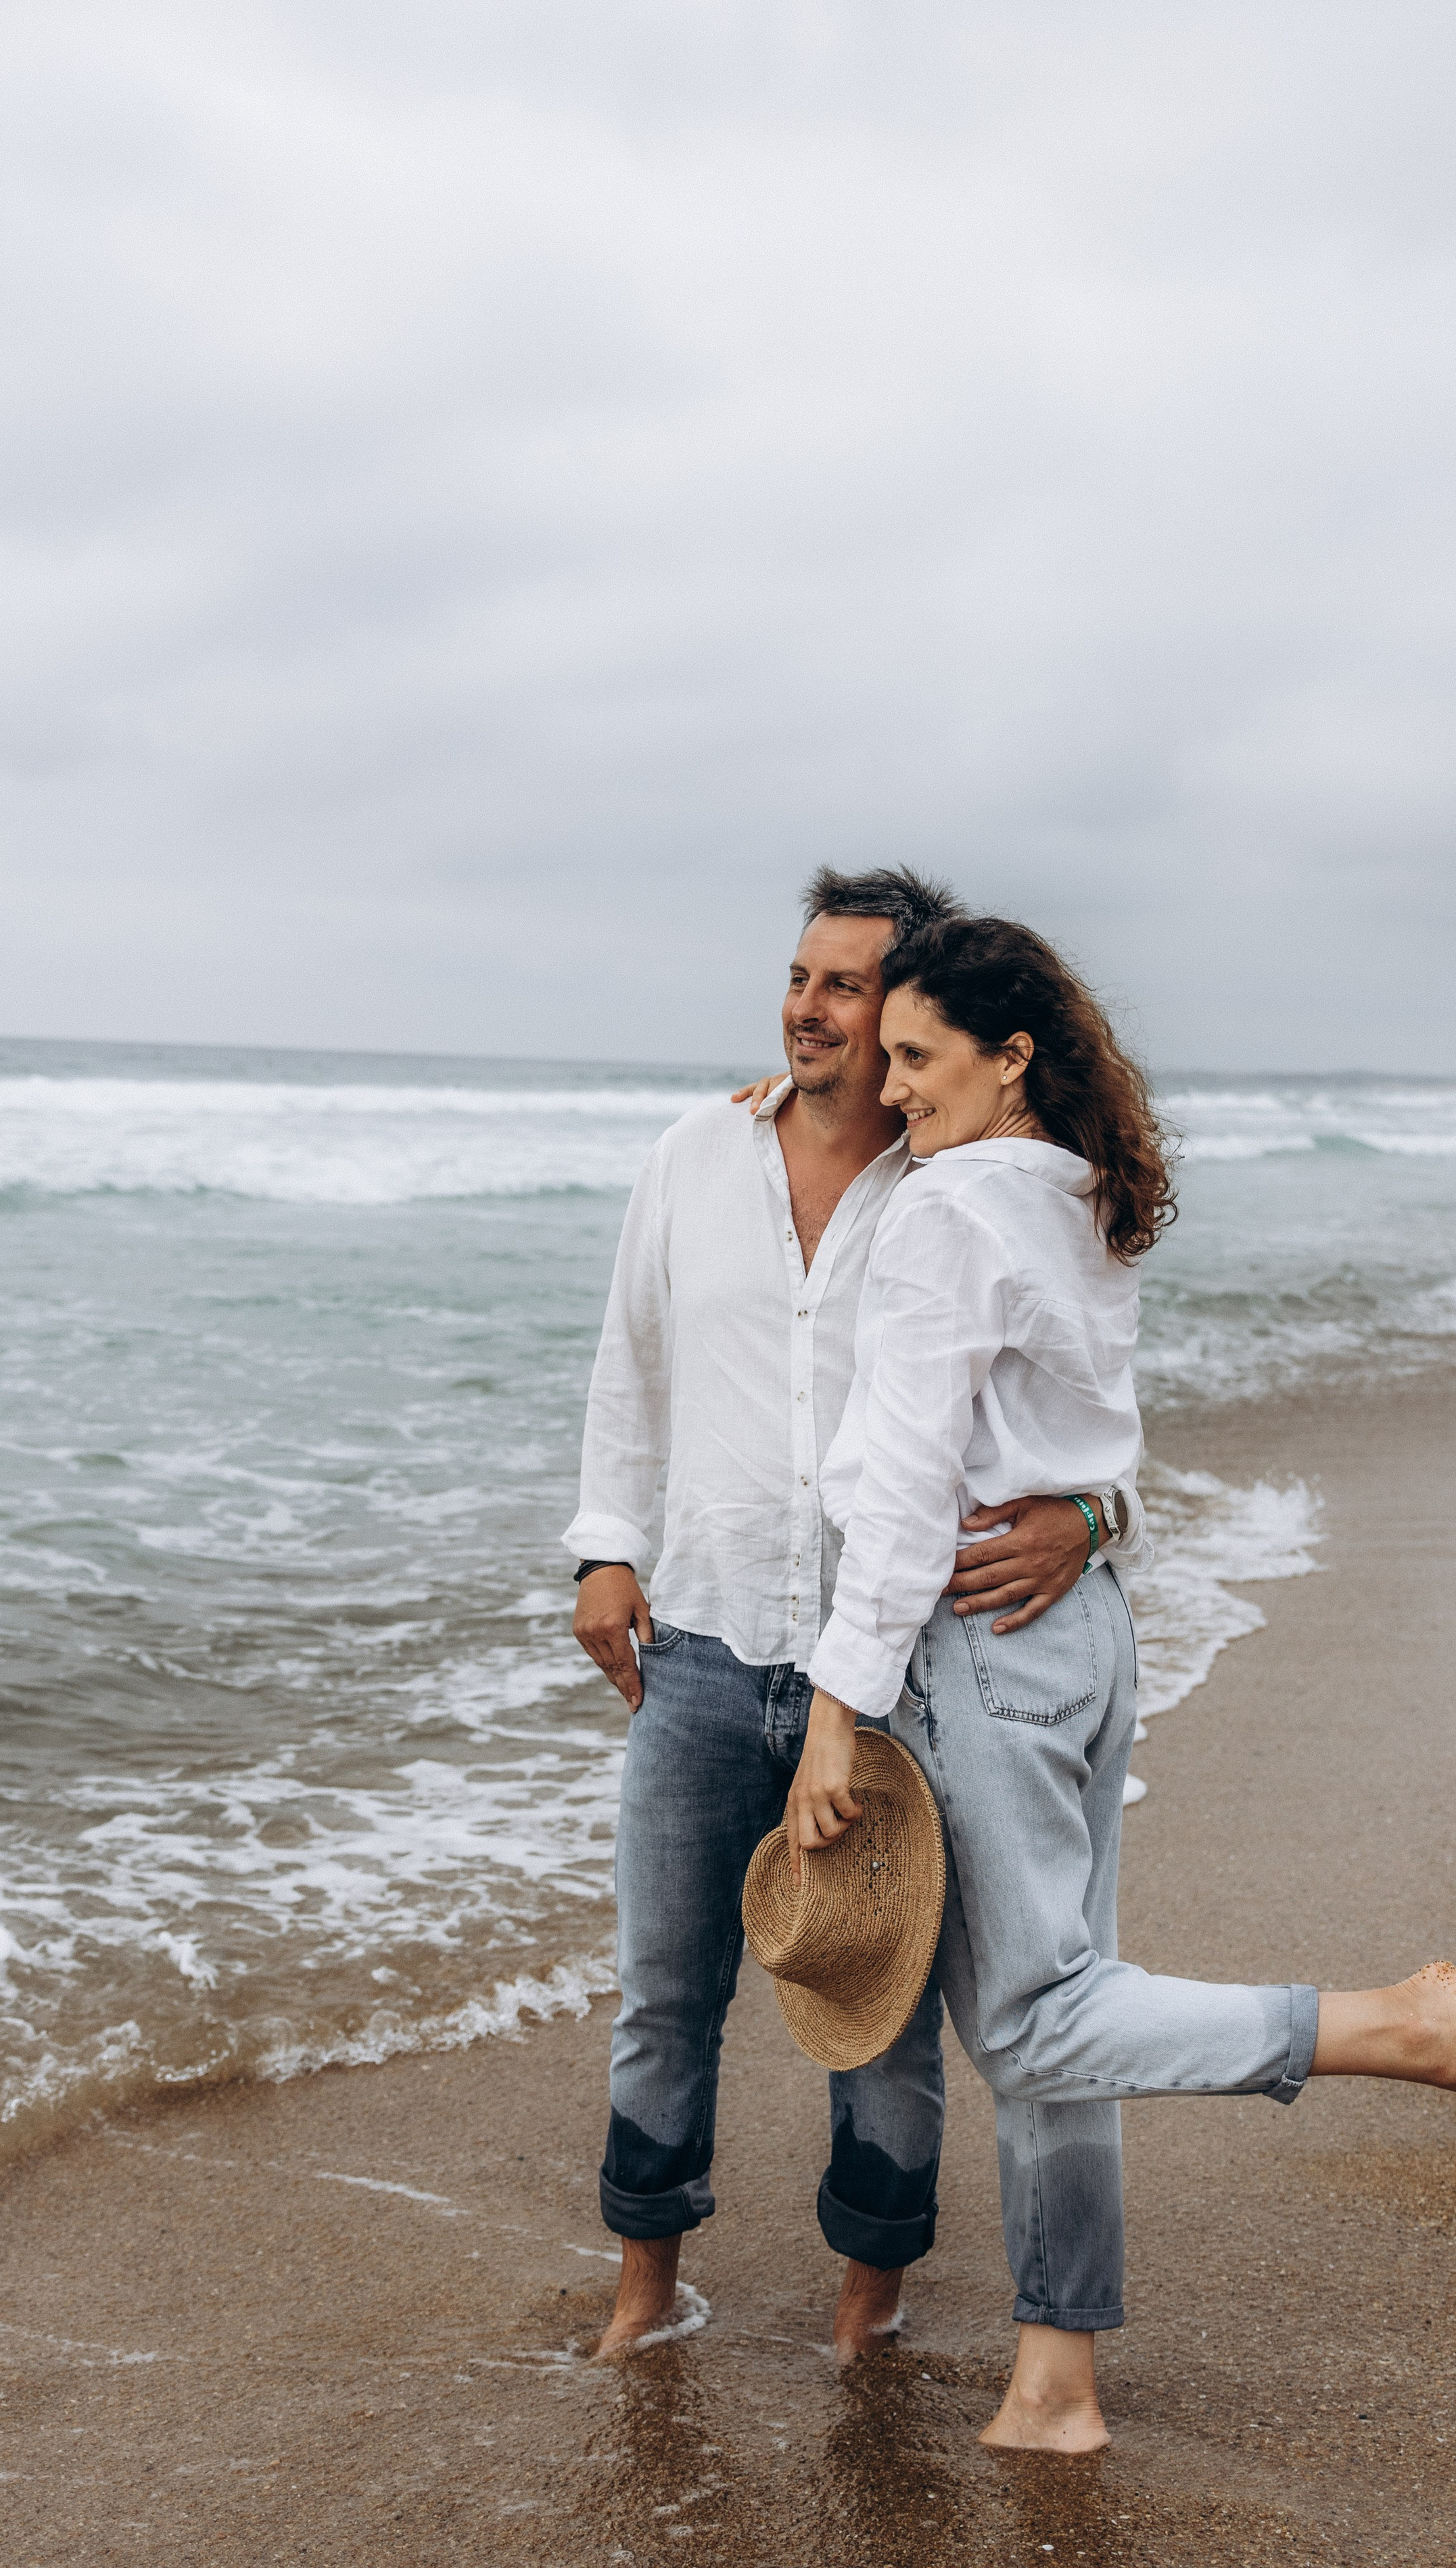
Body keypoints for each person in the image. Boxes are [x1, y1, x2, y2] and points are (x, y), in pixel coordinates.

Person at [784, 912, 1456, 2453]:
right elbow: (1091, 1442)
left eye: (915, 1057)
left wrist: (837, 1709)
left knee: (1035, 2027)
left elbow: (902, 1482)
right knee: (1076, 2003)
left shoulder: (947, 1210)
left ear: (1007, 1053)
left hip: (982, 1640)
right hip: (1087, 1627)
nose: (891, 1090)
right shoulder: (1075, 1193)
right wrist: (1090, 1524)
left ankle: (1388, 2026)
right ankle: (1056, 2382)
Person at [565, 867, 1128, 2363]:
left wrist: (1092, 1515)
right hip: (698, 1642)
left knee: (875, 2022)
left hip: (893, 1679)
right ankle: (642, 2295)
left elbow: (1062, 1393)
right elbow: (632, 1365)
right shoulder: (696, 1152)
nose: (808, 1010)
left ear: (915, 1014)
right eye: (799, 979)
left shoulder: (963, 1183)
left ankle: (863, 2311)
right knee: (665, 1996)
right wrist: (602, 1550)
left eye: (846, 988)